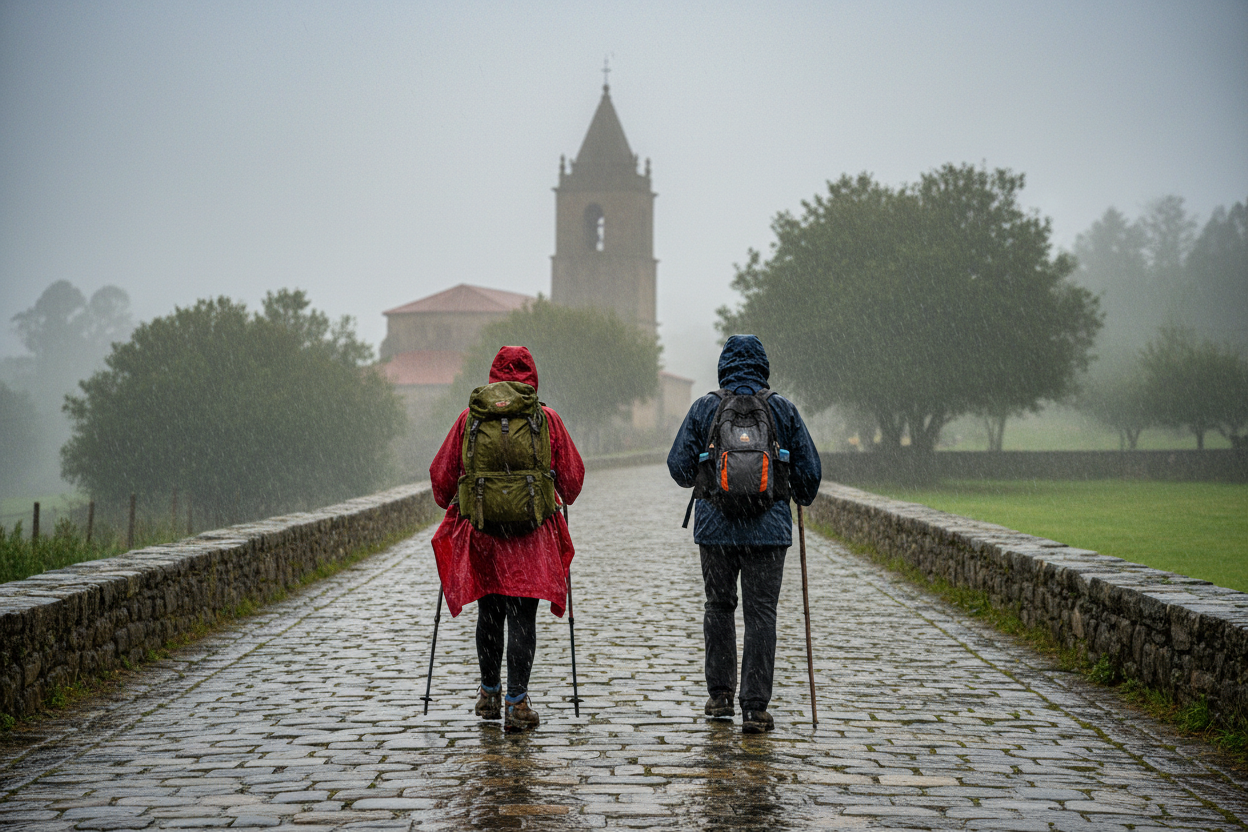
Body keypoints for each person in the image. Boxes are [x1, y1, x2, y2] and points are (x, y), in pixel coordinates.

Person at [667, 334, 821, 733]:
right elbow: (810, 477)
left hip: (716, 530)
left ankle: (719, 698)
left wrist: (709, 478)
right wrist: (792, 490)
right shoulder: (782, 409)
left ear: (724, 366)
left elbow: (679, 468)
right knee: (761, 614)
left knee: (719, 608)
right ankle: (755, 707)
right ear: (763, 366)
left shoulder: (705, 407)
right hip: (768, 532)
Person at [429, 345, 584, 731]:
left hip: (484, 535)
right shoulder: (546, 419)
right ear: (532, 377)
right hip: (530, 537)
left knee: (489, 613)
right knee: (523, 617)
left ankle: (488, 694)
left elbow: (441, 478)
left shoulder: (471, 418)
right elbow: (573, 480)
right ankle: (517, 703)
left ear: (493, 376)